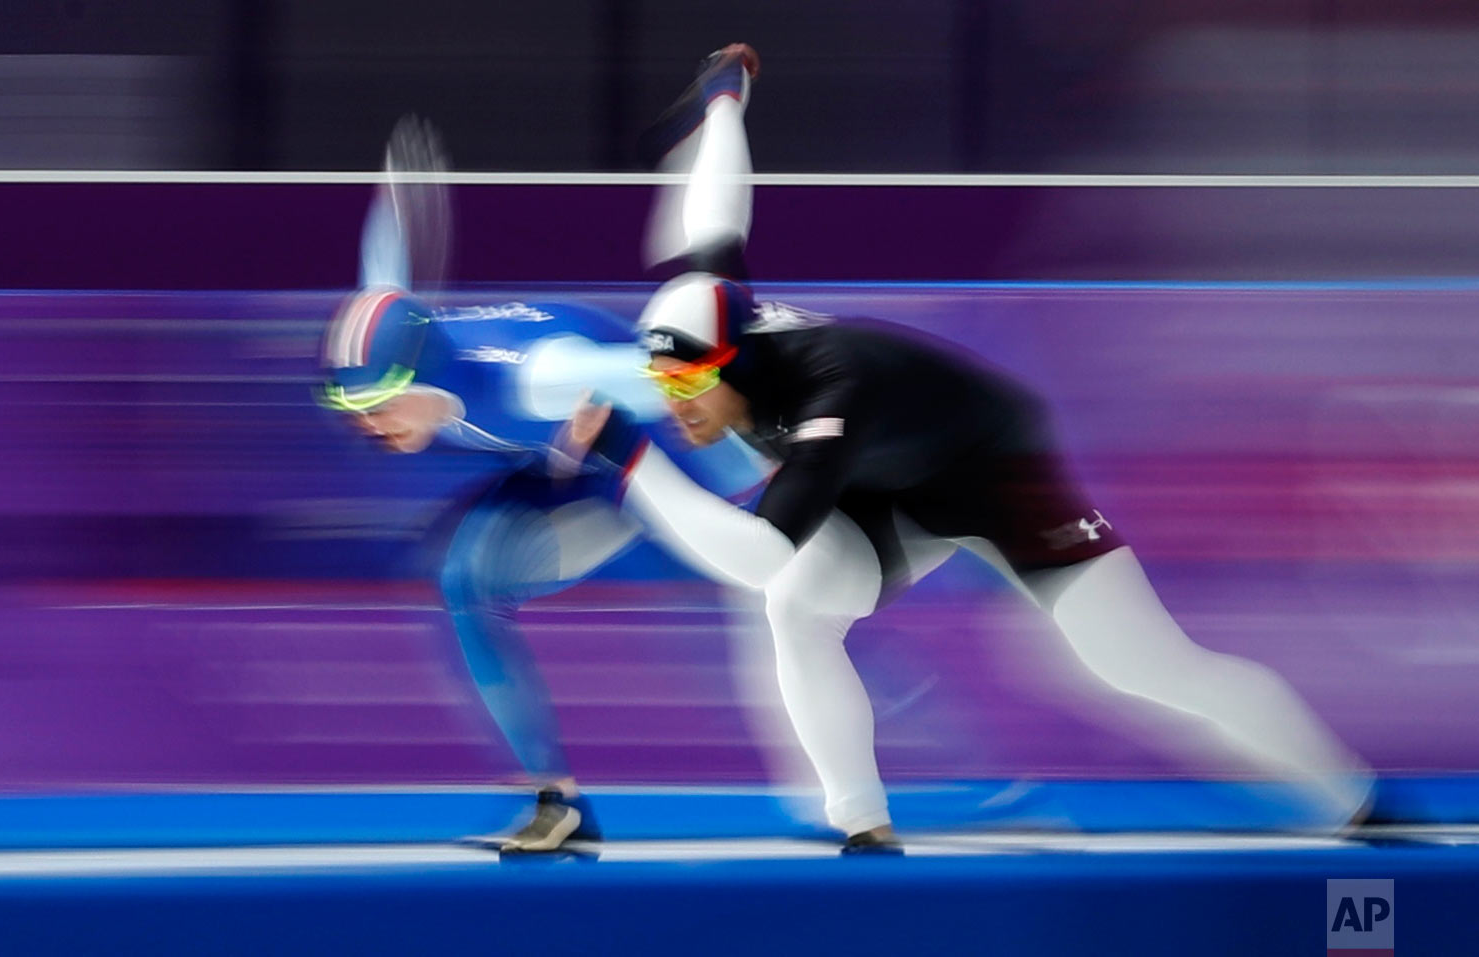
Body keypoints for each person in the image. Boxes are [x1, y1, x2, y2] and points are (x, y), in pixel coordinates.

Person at [568, 46, 1375, 853]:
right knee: (795, 610)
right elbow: (717, 218)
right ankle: (860, 823)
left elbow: (757, 551)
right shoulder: (722, 316)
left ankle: (1349, 793)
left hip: (992, 472)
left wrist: (635, 463)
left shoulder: (829, 389)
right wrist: (722, 104)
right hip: (881, 480)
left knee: (1135, 664)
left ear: (735, 361)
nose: (677, 406)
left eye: (687, 387)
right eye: (659, 385)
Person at [316, 117, 766, 855]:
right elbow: (385, 274)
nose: (370, 428)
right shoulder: (414, 346)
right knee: (461, 575)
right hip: (562, 458)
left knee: (732, 604)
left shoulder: (537, 379)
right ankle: (556, 800)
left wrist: (769, 431)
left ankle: (890, 709)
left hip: (649, 449)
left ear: (419, 378)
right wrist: (397, 192)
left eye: (376, 407)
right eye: (352, 412)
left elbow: (686, 372)